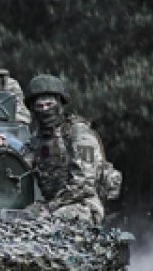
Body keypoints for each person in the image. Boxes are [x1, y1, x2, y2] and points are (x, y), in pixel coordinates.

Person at [20, 74, 114, 224]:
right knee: (17, 220)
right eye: (39, 106)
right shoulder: (37, 140)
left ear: (59, 103)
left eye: (49, 105)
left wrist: (50, 208)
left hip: (83, 205)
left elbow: (84, 184)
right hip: (52, 205)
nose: (45, 110)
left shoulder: (79, 134)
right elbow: (20, 168)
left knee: (51, 223)